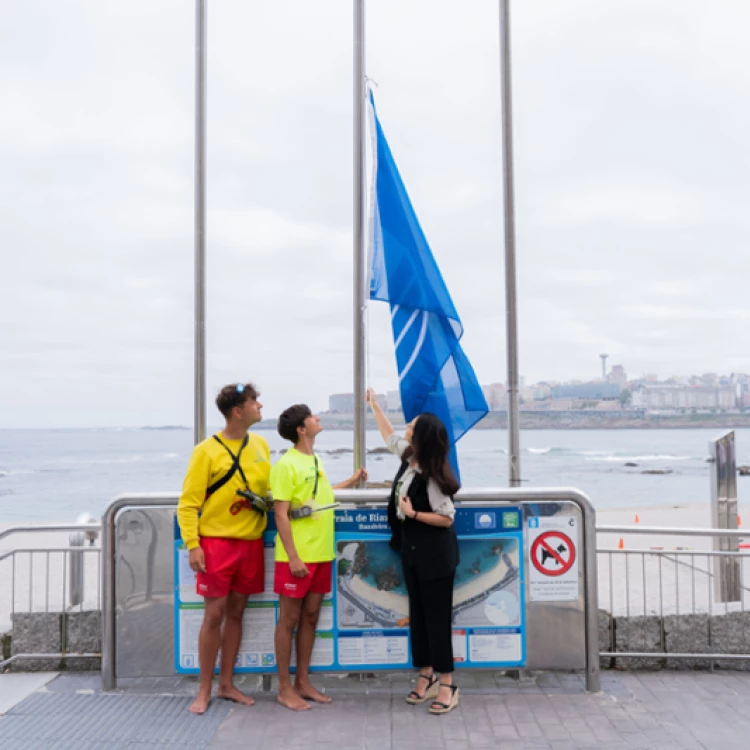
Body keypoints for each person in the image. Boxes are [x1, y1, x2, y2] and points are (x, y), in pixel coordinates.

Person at [177, 382, 271, 715]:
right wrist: (193, 545)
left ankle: (227, 684)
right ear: (237, 411)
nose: (260, 406)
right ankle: (203, 690)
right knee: (213, 615)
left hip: (251, 543)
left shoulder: (260, 444)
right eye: (253, 401)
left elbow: (271, 492)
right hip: (216, 544)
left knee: (236, 613)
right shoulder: (206, 450)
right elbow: (187, 504)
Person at [366, 388, 461, 715]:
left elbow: (447, 518)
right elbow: (389, 435)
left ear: (421, 436)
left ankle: (447, 682)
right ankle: (426, 674)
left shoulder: (432, 475)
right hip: (412, 553)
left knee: (437, 620)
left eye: (412, 426)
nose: (406, 426)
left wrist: (414, 513)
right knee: (419, 618)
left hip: (436, 556)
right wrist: (375, 405)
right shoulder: (410, 458)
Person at [271, 404, 367, 711]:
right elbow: (281, 515)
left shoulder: (314, 459)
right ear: (301, 428)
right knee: (289, 620)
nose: (318, 419)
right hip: (296, 557)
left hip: (323, 552)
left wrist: (350, 482)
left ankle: (303, 682)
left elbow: (320, 498)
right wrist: (294, 557)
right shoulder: (286, 465)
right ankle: (284, 688)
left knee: (311, 617)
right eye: (312, 417)